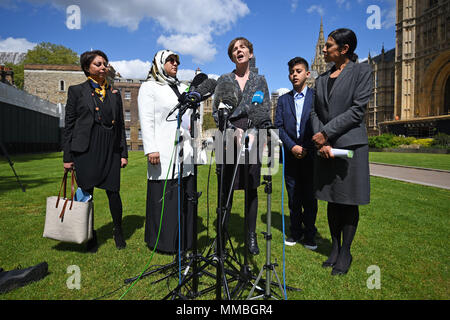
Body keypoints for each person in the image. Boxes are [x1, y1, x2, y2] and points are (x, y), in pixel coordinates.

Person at [310, 28, 372, 275]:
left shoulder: (362, 72)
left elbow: (358, 110)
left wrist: (327, 133)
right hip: (325, 147)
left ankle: (345, 251)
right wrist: (321, 140)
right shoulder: (321, 78)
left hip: (350, 145)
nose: (324, 50)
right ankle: (334, 247)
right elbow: (315, 112)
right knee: (332, 199)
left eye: (329, 46)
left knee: (348, 200)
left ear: (344, 49)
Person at [63, 50, 128, 252]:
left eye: (105, 64)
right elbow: (70, 126)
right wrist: (68, 157)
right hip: (86, 148)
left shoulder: (115, 94)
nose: (103, 67)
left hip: (110, 148)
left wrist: (123, 153)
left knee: (113, 192)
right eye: (98, 64)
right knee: (86, 193)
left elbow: (120, 128)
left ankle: (118, 230)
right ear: (86, 68)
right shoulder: (76, 91)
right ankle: (88, 233)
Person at [212, 37, 271, 255]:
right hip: (226, 136)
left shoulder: (260, 80)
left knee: (251, 189)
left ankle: (251, 236)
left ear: (250, 53)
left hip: (253, 135)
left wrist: (255, 133)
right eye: (234, 49)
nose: (239, 51)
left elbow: (264, 108)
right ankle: (221, 237)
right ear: (231, 57)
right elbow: (216, 111)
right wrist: (230, 130)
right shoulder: (224, 80)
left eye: (242, 47)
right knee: (223, 190)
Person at [138, 49, 194, 254]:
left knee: (185, 195)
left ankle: (185, 240)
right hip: (162, 150)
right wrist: (151, 148)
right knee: (165, 197)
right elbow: (146, 119)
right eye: (170, 60)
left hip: (185, 149)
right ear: (159, 64)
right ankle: (163, 242)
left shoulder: (182, 87)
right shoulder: (149, 87)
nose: (175, 64)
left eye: (177, 61)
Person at [275, 57, 318, 250]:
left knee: (310, 196)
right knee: (293, 197)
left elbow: (319, 125)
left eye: (298, 71)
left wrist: (306, 147)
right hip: (291, 156)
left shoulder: (316, 97)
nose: (294, 75)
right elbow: (279, 127)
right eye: (292, 72)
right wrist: (292, 146)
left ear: (307, 74)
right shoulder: (283, 100)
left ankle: (310, 234)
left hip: (310, 155)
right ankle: (295, 232)